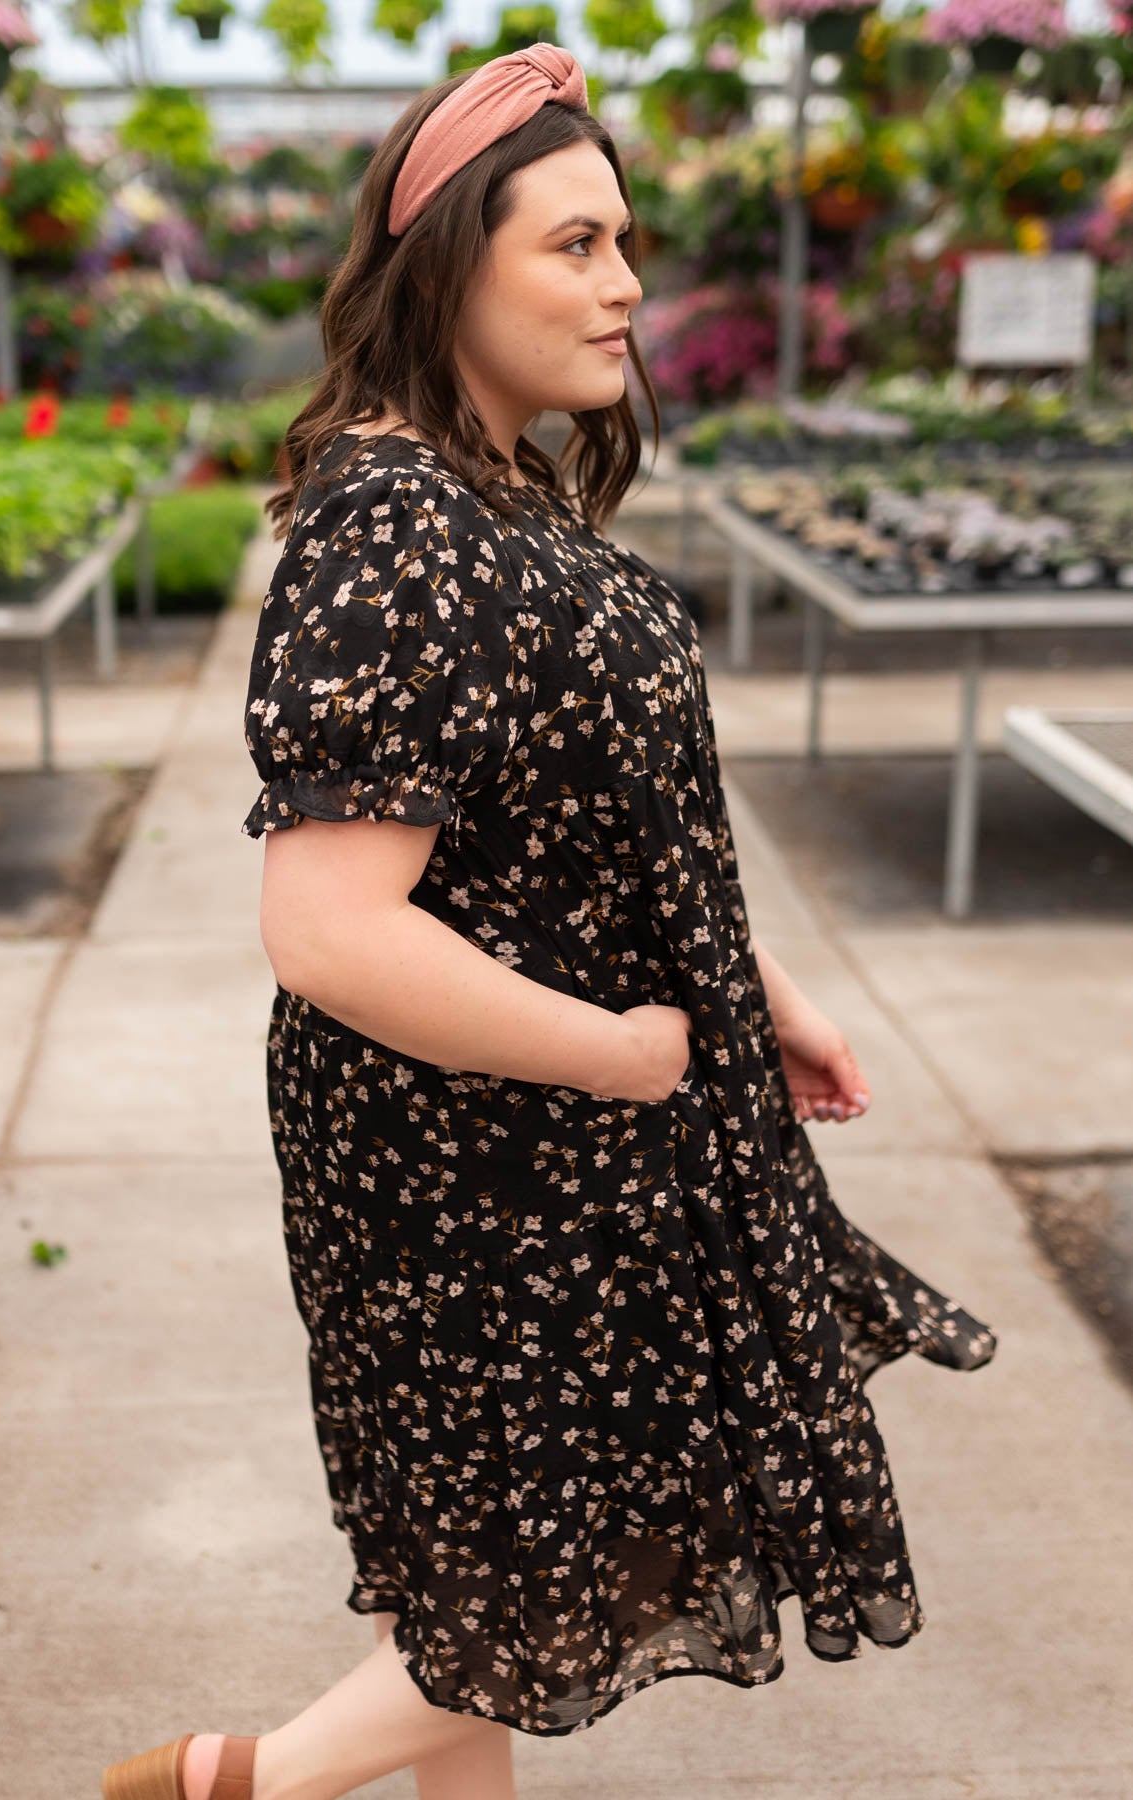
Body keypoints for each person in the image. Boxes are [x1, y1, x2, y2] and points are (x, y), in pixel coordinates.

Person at [102, 41, 998, 1800]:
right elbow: (332, 930)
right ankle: (239, 1785)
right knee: (558, 1571)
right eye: (574, 245)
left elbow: (596, 822)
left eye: (626, 243)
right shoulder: (397, 526)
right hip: (490, 1157)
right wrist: (625, 1053)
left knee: (481, 1574)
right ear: (450, 256)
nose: (628, 286)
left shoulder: (492, 487)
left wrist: (764, 992)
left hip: (573, 1141)